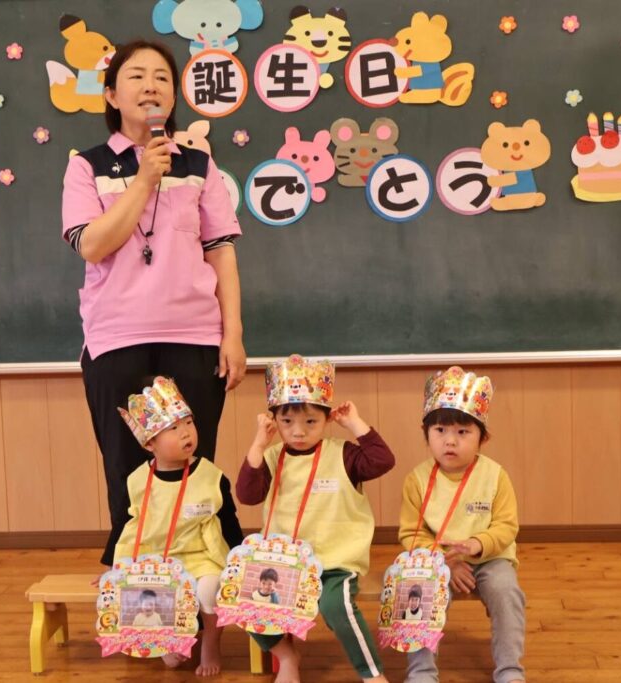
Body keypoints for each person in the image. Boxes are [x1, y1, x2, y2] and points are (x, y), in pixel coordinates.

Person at [61, 38, 246, 567]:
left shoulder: (199, 164)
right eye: (137, 76)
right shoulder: (87, 167)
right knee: (128, 469)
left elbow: (221, 252)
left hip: (194, 335)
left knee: (193, 462)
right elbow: (91, 245)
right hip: (117, 337)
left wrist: (232, 334)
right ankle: (135, 581)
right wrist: (143, 179)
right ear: (112, 95)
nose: (151, 86)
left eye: (162, 77)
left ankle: (200, 576)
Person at [236, 354, 396, 683]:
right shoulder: (271, 456)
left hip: (335, 562)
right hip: (283, 564)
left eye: (310, 421)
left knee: (337, 606)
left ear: (326, 419)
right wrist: (258, 444)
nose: (298, 431)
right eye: (287, 422)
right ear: (274, 420)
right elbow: (247, 495)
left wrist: (355, 423)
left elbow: (383, 460)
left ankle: (372, 673)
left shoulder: (344, 454)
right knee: (242, 596)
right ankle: (286, 656)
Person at [398, 367, 525, 683]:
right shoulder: (416, 480)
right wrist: (444, 562)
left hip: (490, 559)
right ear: (426, 433)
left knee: (506, 591)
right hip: (436, 561)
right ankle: (421, 672)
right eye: (440, 430)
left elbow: (506, 526)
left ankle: (510, 669)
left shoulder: (496, 476)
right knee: (418, 590)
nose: (450, 441)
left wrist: (478, 544)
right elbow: (411, 534)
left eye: (463, 432)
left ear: (483, 437)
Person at [115, 376, 244, 676]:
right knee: (141, 591)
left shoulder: (211, 476)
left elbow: (229, 521)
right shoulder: (137, 481)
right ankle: (166, 640)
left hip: (201, 557)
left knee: (209, 589)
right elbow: (125, 525)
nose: (186, 432)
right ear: (150, 443)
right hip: (155, 559)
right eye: (173, 429)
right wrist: (114, 565)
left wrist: (239, 559)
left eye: (188, 423)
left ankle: (211, 642)